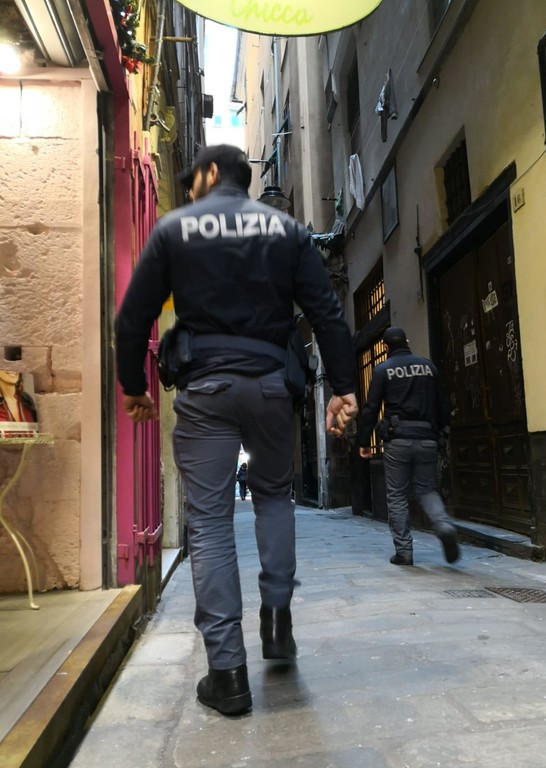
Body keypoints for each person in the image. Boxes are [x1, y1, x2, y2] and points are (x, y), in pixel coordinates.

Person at [114, 144, 358, 716]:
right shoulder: (288, 231)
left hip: (204, 392)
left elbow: (132, 318)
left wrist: (134, 386)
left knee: (209, 521)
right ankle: (277, 622)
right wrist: (344, 387)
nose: (189, 189)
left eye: (191, 180)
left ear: (210, 173)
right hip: (272, 387)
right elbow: (326, 313)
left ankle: (227, 674)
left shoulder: (176, 228)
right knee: (274, 497)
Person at [356, 327, 459, 567]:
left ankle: (404, 552)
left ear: (385, 347)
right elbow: (443, 403)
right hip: (427, 438)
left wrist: (363, 441)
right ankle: (443, 525)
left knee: (397, 495)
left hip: (397, 440)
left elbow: (371, 408)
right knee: (427, 490)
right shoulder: (429, 367)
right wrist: (443, 433)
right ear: (407, 341)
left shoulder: (382, 370)